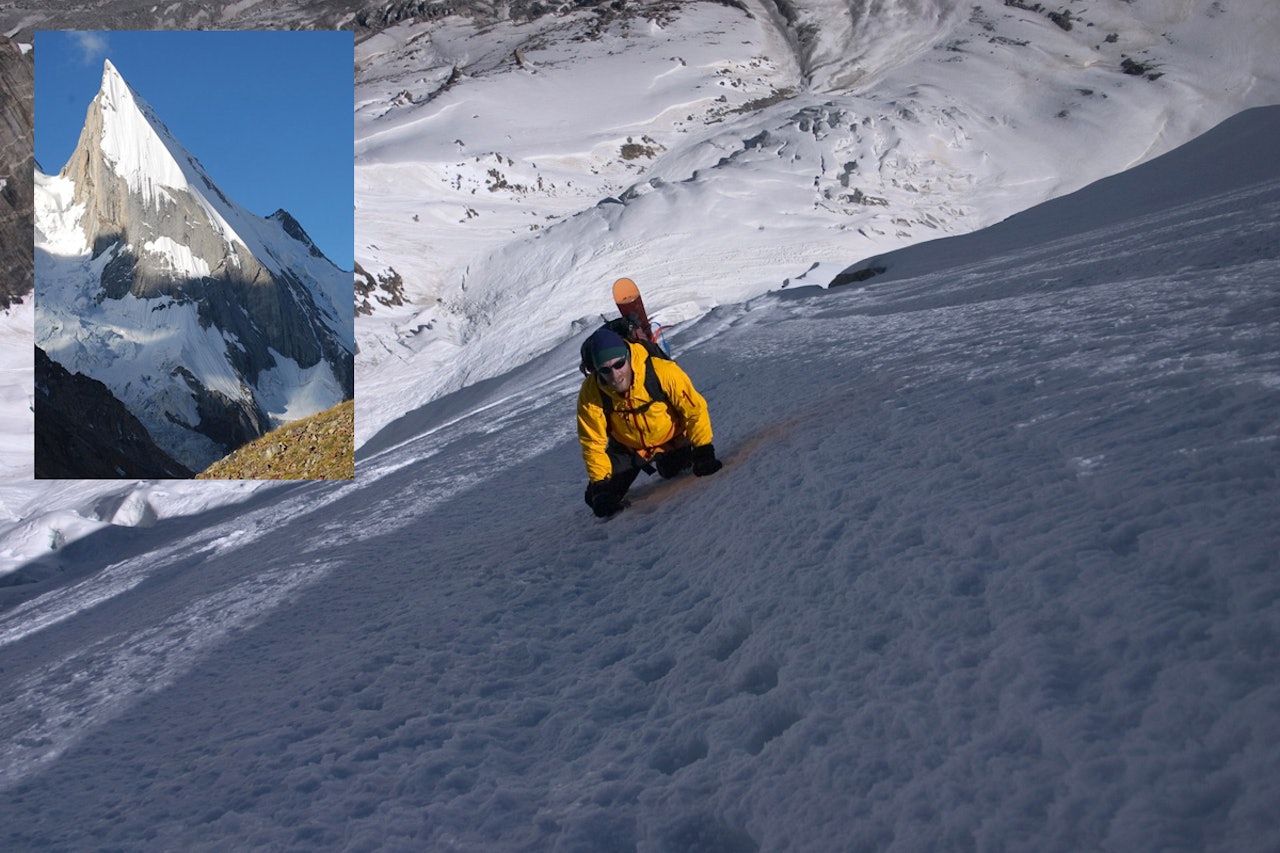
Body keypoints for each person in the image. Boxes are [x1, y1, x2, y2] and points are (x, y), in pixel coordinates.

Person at [576, 326, 723, 517]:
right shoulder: (591, 392)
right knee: (597, 498)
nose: (614, 375)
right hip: (629, 450)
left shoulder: (661, 371)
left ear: (628, 356)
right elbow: (592, 443)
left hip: (672, 440)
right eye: (605, 370)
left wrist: (703, 450)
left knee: (671, 470)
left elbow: (694, 410)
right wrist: (600, 484)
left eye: (619, 364)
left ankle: (678, 458)